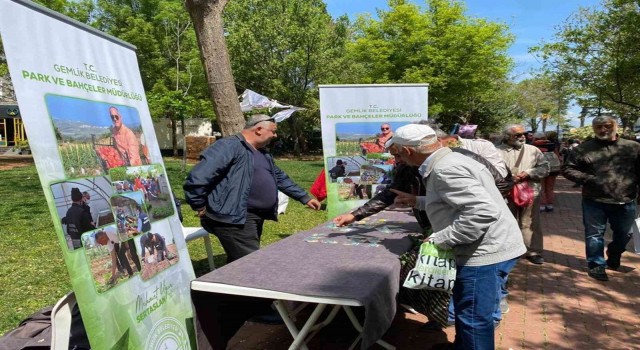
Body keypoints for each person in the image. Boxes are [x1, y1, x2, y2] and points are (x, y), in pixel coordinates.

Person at [387, 124, 526, 350]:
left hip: (483, 254)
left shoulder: (444, 169)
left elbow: (482, 212)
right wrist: (417, 201)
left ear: (409, 151)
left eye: (397, 153)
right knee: (467, 310)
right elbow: (458, 200)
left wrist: (441, 239)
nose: (398, 158)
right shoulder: (450, 160)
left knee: (473, 317)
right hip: (490, 245)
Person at [184, 114, 321, 264]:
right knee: (252, 264)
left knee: (239, 262)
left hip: (253, 217)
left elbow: (280, 177)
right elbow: (198, 177)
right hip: (234, 218)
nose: (275, 136)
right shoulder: (228, 146)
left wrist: (304, 197)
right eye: (273, 131)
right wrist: (199, 205)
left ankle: (229, 284)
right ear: (259, 129)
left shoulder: (262, 153)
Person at [562, 115, 640, 281]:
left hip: (625, 200)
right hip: (594, 200)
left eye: (607, 125)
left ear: (616, 126)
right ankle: (596, 265)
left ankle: (614, 253)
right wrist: (590, 180)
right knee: (594, 234)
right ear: (593, 128)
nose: (603, 130)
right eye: (598, 127)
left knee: (623, 234)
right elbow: (568, 169)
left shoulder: (633, 147)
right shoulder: (583, 149)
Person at [498, 124, 550, 265]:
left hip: (531, 192)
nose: (522, 137)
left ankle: (534, 251)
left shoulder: (533, 150)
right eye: (517, 134)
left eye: (523, 134)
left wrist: (528, 173)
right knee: (506, 223)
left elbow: (545, 168)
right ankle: (507, 250)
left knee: (530, 223)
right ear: (507, 137)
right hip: (505, 193)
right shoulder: (496, 151)